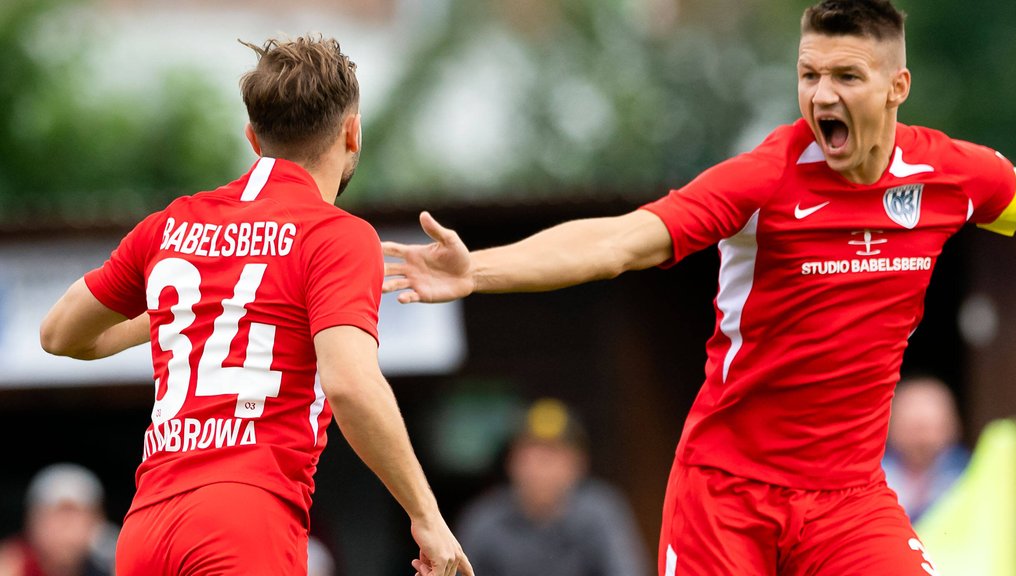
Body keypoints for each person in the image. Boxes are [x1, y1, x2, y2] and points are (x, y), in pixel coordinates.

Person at [380, 1, 1016, 573]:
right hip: (727, 496)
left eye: (846, 77)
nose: (822, 95)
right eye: (809, 75)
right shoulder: (765, 179)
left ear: (897, 87)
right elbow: (618, 242)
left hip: (848, 499)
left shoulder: (951, 174)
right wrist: (477, 270)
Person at [39, 36, 472, 576]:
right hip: (245, 517)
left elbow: (59, 334)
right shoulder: (336, 234)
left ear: (252, 137)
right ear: (352, 132)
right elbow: (350, 384)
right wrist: (427, 516)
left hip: (147, 526)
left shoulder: (172, 223)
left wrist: (188, 311)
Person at [457, 398, 649, 576]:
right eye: (531, 455)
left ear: (578, 463)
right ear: (511, 462)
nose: (540, 469)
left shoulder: (601, 512)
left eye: (552, 456)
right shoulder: (484, 520)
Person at [882, 376, 971, 523]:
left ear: (953, 425)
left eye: (928, 426)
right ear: (889, 426)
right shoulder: (869, 476)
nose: (920, 438)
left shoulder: (971, 473)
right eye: (911, 427)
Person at [0, 463, 115, 576]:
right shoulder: (12, 565)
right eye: (57, 515)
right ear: (32, 521)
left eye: (75, 516)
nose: (66, 528)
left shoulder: (112, 563)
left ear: (99, 520)